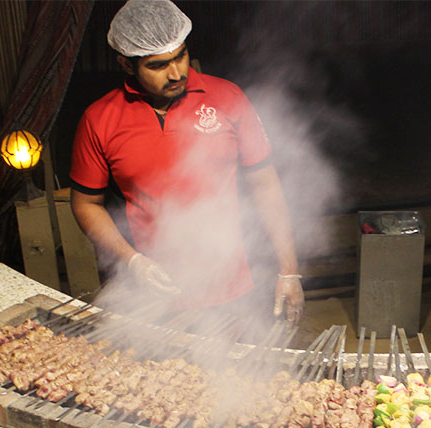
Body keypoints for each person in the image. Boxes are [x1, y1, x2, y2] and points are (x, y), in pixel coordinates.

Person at [69, 0, 303, 322]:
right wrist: (132, 261)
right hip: (153, 291)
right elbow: (85, 203)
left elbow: (265, 184)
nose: (176, 72)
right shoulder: (100, 119)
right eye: (157, 65)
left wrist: (289, 271)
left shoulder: (228, 98)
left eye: (180, 55)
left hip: (233, 289)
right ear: (127, 65)